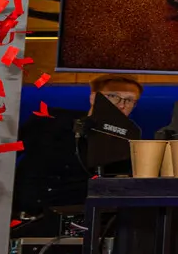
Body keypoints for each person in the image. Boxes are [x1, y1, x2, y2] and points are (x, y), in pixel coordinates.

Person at [13, 74, 142, 217]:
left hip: (84, 217)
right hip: (31, 213)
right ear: (93, 98)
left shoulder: (128, 138)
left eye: (129, 100)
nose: (121, 104)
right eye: (113, 96)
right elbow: (6, 158)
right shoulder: (51, 121)